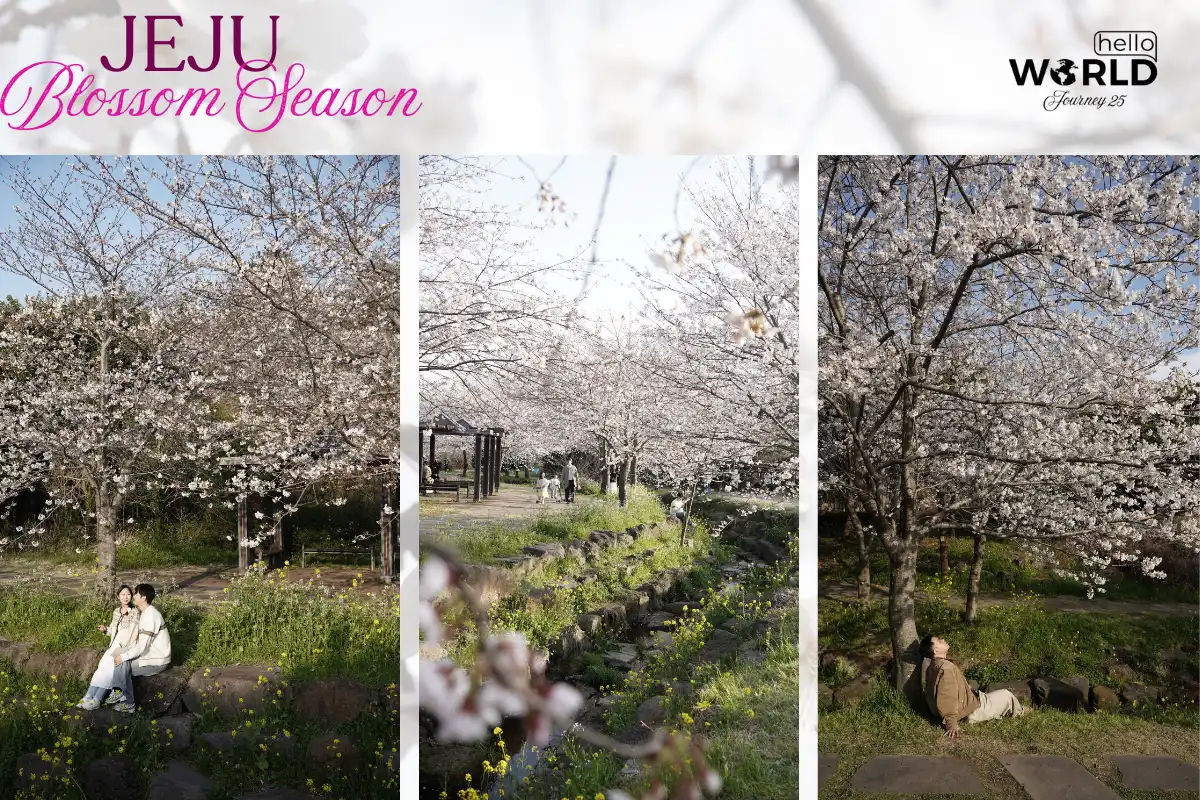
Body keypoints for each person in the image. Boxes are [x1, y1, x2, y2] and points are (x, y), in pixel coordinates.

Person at [79, 584, 172, 713]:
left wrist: (123, 656)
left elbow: (141, 645)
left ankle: (121, 696)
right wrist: (108, 632)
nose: (133, 596)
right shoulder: (146, 612)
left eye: (136, 594)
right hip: (149, 654)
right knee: (121, 661)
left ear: (143, 598)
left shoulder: (150, 616)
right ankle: (121, 697)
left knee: (123, 663)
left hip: (158, 659)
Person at [921, 634, 1029, 738]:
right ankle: (1021, 711)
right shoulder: (946, 668)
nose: (943, 640)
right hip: (969, 712)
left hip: (965, 704)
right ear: (936, 651)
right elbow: (947, 696)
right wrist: (951, 723)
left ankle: (1017, 708)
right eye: (939, 641)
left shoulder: (933, 666)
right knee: (1007, 695)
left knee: (991, 694)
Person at [77, 585, 140, 710]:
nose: (126, 597)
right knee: (101, 669)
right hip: (113, 646)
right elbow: (114, 629)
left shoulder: (135, 612)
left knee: (109, 672)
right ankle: (88, 696)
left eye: (128, 594)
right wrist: (106, 629)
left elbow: (133, 633)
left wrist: (128, 617)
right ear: (118, 596)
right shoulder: (116, 611)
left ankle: (97, 699)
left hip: (123, 647)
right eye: (123, 594)